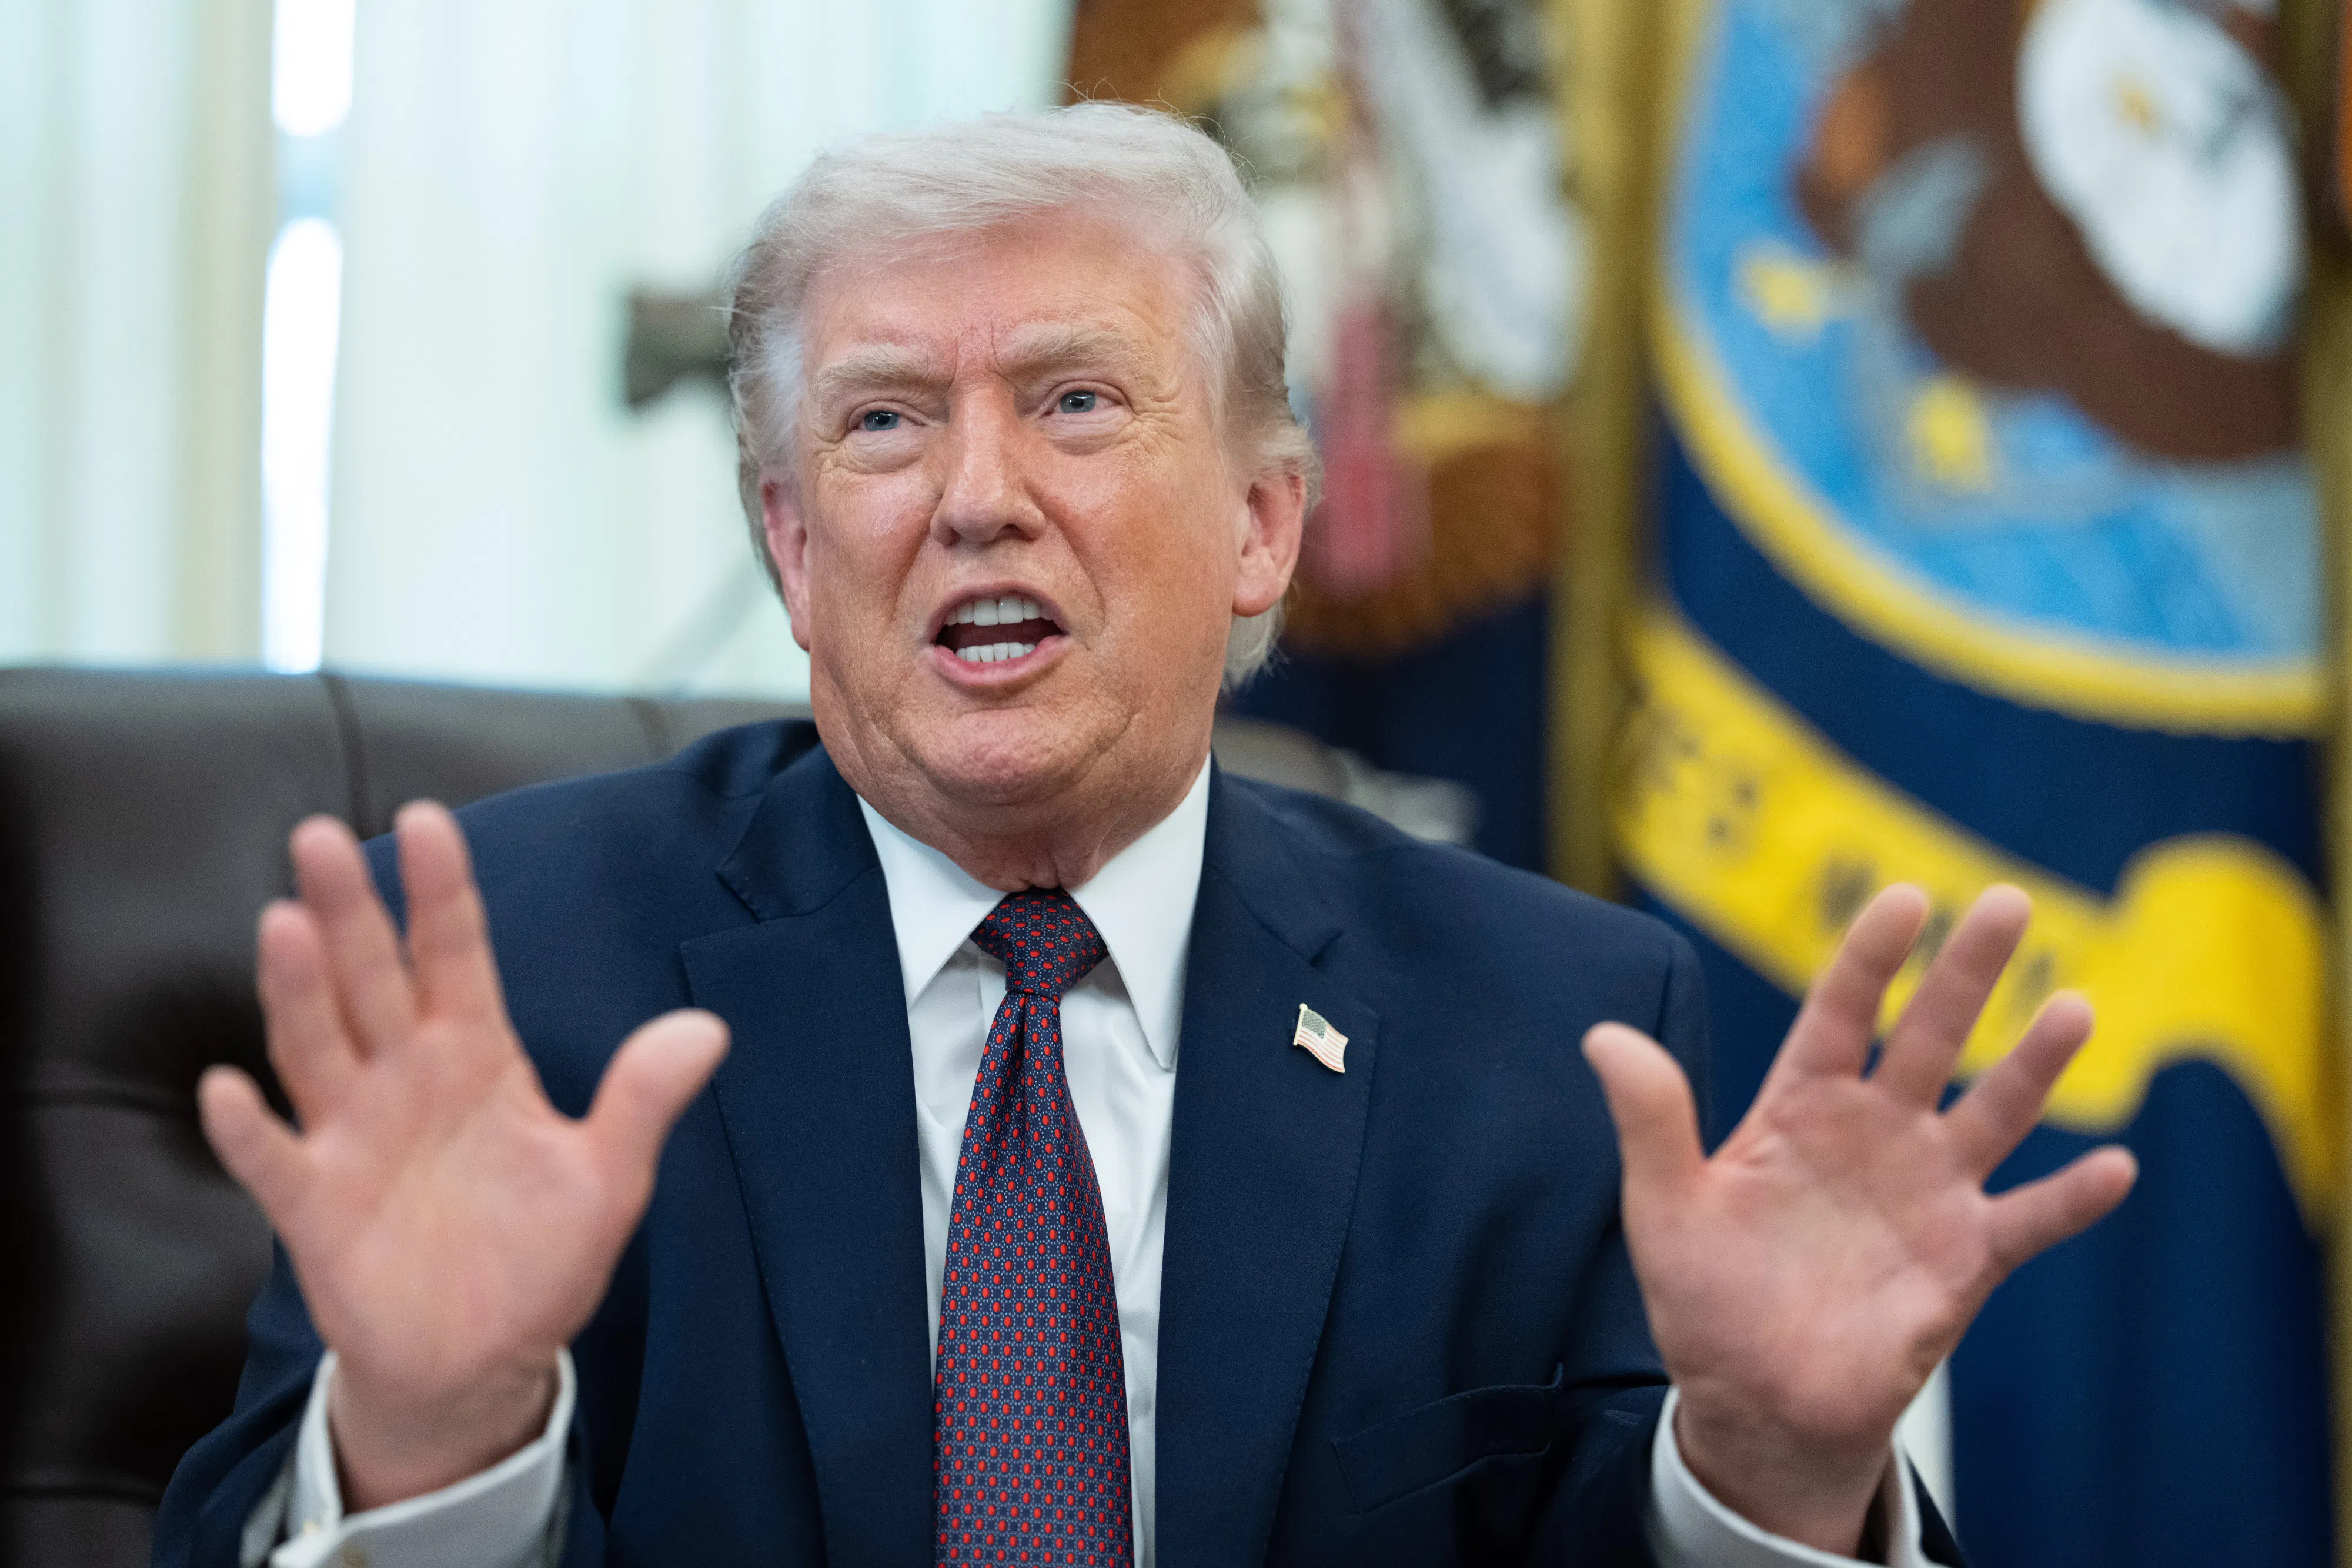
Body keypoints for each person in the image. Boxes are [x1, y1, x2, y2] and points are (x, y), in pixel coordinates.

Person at [153, 104, 2134, 1568]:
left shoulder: (1552, 1031)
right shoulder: (513, 977)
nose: (976, 497)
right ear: (792, 548)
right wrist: (439, 1445)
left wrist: (1770, 1481)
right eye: (882, 422)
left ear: (1265, 523)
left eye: (1076, 403)